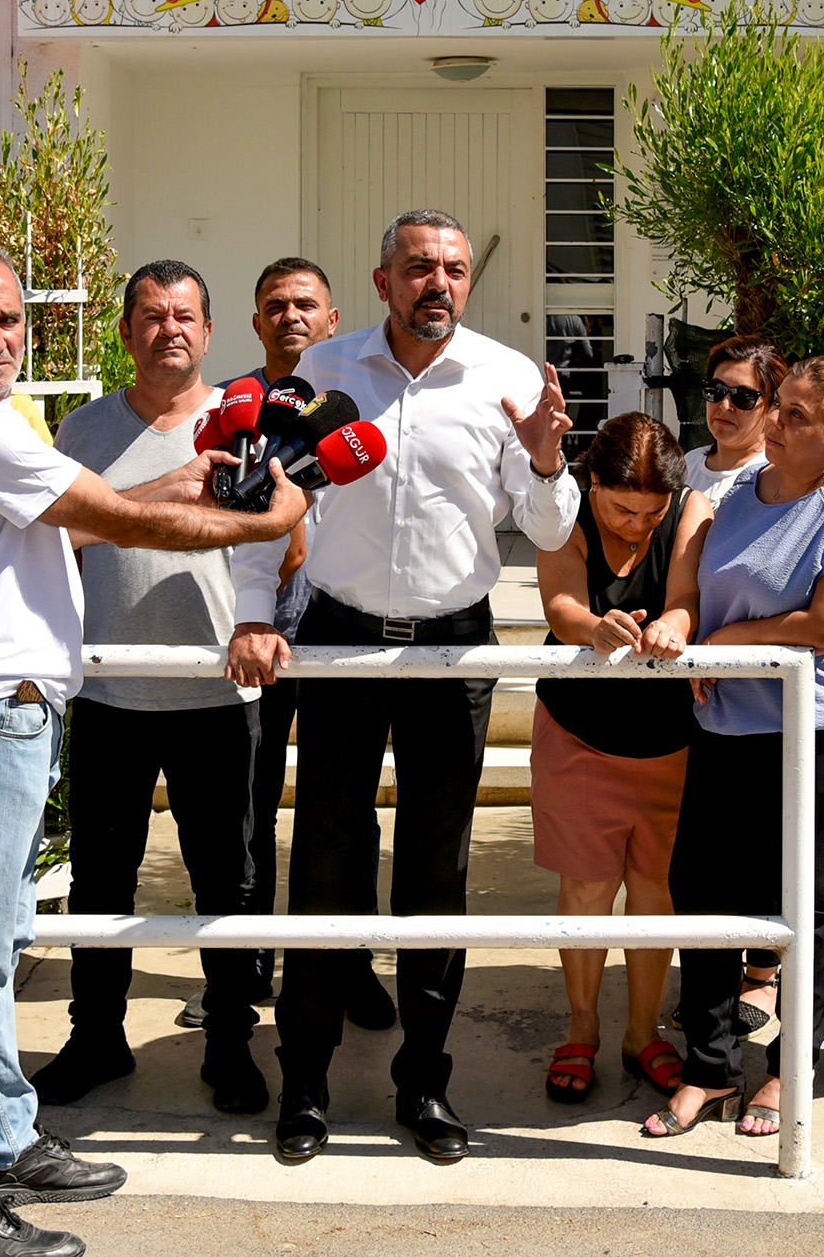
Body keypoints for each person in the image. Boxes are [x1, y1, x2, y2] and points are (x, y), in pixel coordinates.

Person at [0, 242, 303, 1257]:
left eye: (7, 319)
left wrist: (182, 476)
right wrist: (268, 517)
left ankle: (3, 1139)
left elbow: (66, 527)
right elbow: (113, 519)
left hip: (3, 713)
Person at [227, 209, 578, 1167]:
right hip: (340, 641)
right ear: (382, 280)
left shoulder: (508, 377)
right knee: (325, 863)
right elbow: (269, 506)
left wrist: (547, 459)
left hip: (453, 652)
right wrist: (254, 614)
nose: (440, 283)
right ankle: (305, 1081)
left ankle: (424, 1080)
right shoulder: (323, 372)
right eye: (420, 267)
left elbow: (550, 530)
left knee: (436, 871)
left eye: (454, 269)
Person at [30, 261, 271, 1116]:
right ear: (127, 331)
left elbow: (283, 545)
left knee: (226, 882)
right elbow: (54, 541)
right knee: (102, 879)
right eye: (152, 315)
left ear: (208, 333)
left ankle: (231, 1043)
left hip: (217, 698)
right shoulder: (81, 430)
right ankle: (96, 1036)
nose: (169, 329)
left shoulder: (247, 425)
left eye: (184, 316)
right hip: (107, 695)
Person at [645, 356, 824, 1144]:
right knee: (700, 889)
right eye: (777, 406)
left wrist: (722, 645)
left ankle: (792, 1068)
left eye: (795, 414)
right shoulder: (737, 494)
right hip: (727, 724)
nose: (774, 422)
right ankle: (711, 1067)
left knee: (802, 899)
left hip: (819, 729)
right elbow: (694, 594)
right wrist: (685, 627)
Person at [222, 257, 399, 1034]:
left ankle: (349, 964)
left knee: (348, 813)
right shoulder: (232, 413)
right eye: (275, 305)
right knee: (251, 803)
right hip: (257, 636)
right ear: (255, 322)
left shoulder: (364, 413)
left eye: (305, 305)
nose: (290, 315)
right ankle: (250, 963)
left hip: (340, 635)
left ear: (333, 321)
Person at [531, 413, 709, 1104]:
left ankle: (644, 1031)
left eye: (652, 513)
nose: (638, 524)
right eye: (623, 509)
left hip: (670, 736)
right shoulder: (564, 511)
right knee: (586, 886)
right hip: (578, 730)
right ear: (593, 483)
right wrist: (594, 627)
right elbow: (560, 604)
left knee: (656, 888)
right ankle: (581, 1028)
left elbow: (687, 597)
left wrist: (674, 624)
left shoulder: (691, 510)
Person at [684, 335, 783, 510]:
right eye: (716, 389)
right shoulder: (687, 465)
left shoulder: (774, 478)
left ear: (772, 404)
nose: (724, 406)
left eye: (743, 397)